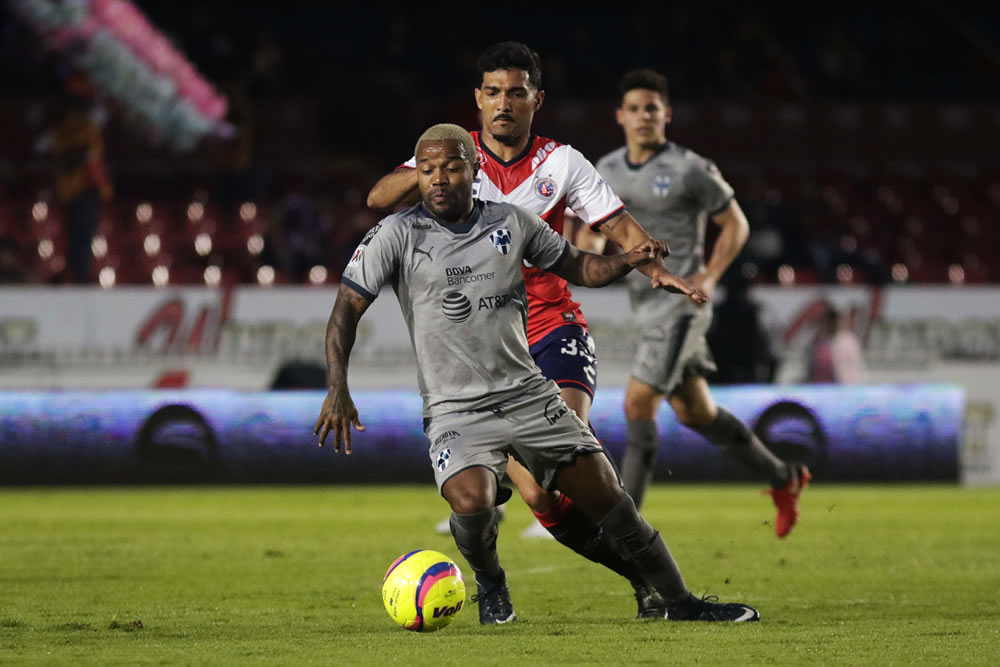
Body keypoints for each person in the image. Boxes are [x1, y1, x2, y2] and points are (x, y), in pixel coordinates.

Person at [317, 125, 759, 625]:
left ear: (476, 169)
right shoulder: (394, 235)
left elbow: (579, 267)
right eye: (427, 170)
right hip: (455, 408)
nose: (438, 179)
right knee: (472, 500)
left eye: (452, 167)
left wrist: (629, 261)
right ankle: (491, 582)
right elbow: (344, 312)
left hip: (529, 396)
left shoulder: (513, 222)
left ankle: (681, 603)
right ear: (415, 175)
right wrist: (338, 387)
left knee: (609, 498)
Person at [367, 42, 705, 618]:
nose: (504, 103)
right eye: (493, 92)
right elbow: (379, 198)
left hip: (551, 326)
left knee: (569, 461)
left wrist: (654, 269)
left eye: (516, 92)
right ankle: (638, 581)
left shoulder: (562, 163)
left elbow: (617, 224)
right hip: (487, 341)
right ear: (477, 99)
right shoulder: (454, 160)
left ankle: (657, 586)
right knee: (542, 497)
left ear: (535, 100)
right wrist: (433, 169)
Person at [594, 69, 810, 538]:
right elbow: (593, 228)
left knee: (638, 403)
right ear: (620, 117)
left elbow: (736, 223)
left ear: (666, 114)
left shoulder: (691, 167)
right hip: (643, 305)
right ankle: (784, 476)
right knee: (696, 412)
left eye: (652, 108)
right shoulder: (605, 170)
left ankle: (624, 531)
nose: (643, 117)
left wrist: (709, 275)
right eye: (634, 109)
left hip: (682, 304)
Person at [807, 304, 865, 384]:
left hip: (844, 386)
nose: (831, 324)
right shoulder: (820, 341)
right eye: (829, 322)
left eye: (834, 321)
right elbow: (813, 366)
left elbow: (855, 365)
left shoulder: (849, 341)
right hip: (822, 387)